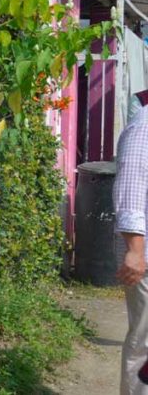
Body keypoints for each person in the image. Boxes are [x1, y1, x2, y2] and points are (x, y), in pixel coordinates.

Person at [115, 105, 148, 394]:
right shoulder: (145, 124)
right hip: (147, 258)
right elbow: (131, 188)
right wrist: (135, 251)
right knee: (145, 344)